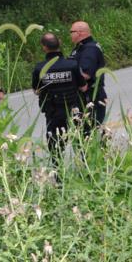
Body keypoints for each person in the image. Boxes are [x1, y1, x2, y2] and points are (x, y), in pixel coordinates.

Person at [32, 32, 83, 164]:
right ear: (59, 43)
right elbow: (83, 87)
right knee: (81, 140)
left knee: (55, 145)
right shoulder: (72, 65)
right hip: (73, 109)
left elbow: (37, 91)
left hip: (53, 112)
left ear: (44, 47)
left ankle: (59, 178)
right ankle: (87, 171)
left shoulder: (39, 68)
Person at [68, 21, 107, 133]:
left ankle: (100, 150)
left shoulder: (90, 49)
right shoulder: (81, 47)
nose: (70, 34)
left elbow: (85, 74)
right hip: (84, 97)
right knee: (85, 132)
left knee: (91, 132)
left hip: (91, 97)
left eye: (72, 31)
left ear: (79, 32)